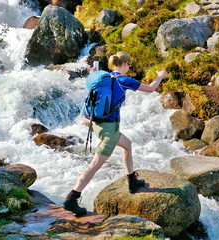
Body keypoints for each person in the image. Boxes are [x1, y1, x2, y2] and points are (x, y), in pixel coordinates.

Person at [62, 52, 168, 216]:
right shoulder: (124, 81)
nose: (129, 67)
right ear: (126, 64)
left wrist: (92, 72)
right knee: (94, 166)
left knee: (127, 145)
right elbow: (151, 88)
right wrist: (160, 76)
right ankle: (72, 197)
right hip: (110, 129)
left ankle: (131, 180)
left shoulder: (104, 78)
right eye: (129, 64)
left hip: (97, 124)